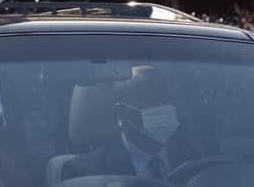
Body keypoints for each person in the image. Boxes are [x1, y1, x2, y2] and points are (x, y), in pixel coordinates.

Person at [61, 66, 200, 180]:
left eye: (166, 101)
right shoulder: (85, 172)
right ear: (121, 112)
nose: (162, 108)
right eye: (149, 103)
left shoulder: (195, 159)